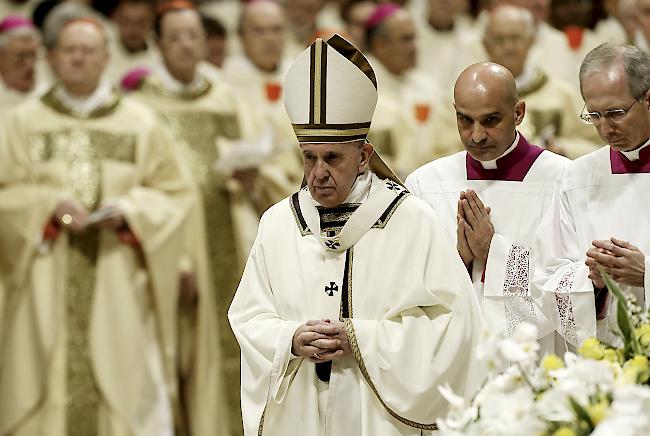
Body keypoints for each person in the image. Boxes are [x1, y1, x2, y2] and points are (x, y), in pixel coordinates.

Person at [229, 33, 483, 436]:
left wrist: (359, 337)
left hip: (377, 416)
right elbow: (248, 317)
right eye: (308, 157)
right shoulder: (279, 223)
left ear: (364, 156)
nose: (318, 173)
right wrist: (291, 338)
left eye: (333, 158)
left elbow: (453, 327)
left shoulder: (410, 220)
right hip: (302, 411)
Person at [0, 17, 190, 436]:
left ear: (107, 57)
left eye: (89, 50)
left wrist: (131, 210)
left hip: (117, 273)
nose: (79, 57)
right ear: (50, 58)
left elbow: (175, 194)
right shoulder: (22, 122)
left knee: (121, 377)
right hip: (44, 279)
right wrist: (46, 204)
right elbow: (4, 192)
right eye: (69, 50)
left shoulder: (140, 122)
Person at [128, 3, 301, 434]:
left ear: (206, 42)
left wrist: (254, 177)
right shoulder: (141, 108)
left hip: (233, 239)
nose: (187, 45)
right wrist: (177, 258)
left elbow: (277, 167)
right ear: (158, 44)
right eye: (176, 38)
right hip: (176, 249)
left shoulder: (229, 100)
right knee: (184, 354)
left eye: (194, 36)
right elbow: (141, 185)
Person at [406, 62, 568, 355]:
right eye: (465, 120)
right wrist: (458, 260)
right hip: (454, 359)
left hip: (533, 358)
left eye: (490, 120)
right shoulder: (425, 183)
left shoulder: (562, 180)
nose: (476, 135)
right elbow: (408, 291)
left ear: (519, 113)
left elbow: (570, 290)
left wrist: (494, 252)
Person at [534, 43, 650, 347]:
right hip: (603, 358)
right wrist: (592, 283)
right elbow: (547, 276)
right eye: (594, 115)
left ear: (649, 99)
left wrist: (646, 273)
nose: (605, 128)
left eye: (615, 113)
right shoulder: (578, 177)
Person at [481, 4, 601, 158]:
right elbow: (444, 152)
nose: (508, 47)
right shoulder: (467, 98)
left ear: (531, 41)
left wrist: (562, 148)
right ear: (485, 44)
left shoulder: (562, 94)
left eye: (515, 38)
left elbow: (597, 145)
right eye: (500, 39)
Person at [364, 3, 443, 177]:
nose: (415, 46)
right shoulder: (362, 87)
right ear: (381, 45)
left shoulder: (426, 86)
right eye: (406, 39)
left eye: (415, 38)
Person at [222, 0, 300, 153]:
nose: (269, 38)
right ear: (241, 37)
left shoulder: (300, 76)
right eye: (259, 31)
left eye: (276, 29)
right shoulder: (225, 83)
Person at [105, 0, 160, 84]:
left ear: (152, 22)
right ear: (116, 19)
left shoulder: (162, 56)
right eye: (126, 21)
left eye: (141, 23)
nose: (133, 29)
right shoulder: (101, 48)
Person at [0, 15, 43, 114]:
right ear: (1, 57)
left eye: (33, 55)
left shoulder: (46, 93)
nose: (29, 64)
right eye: (20, 56)